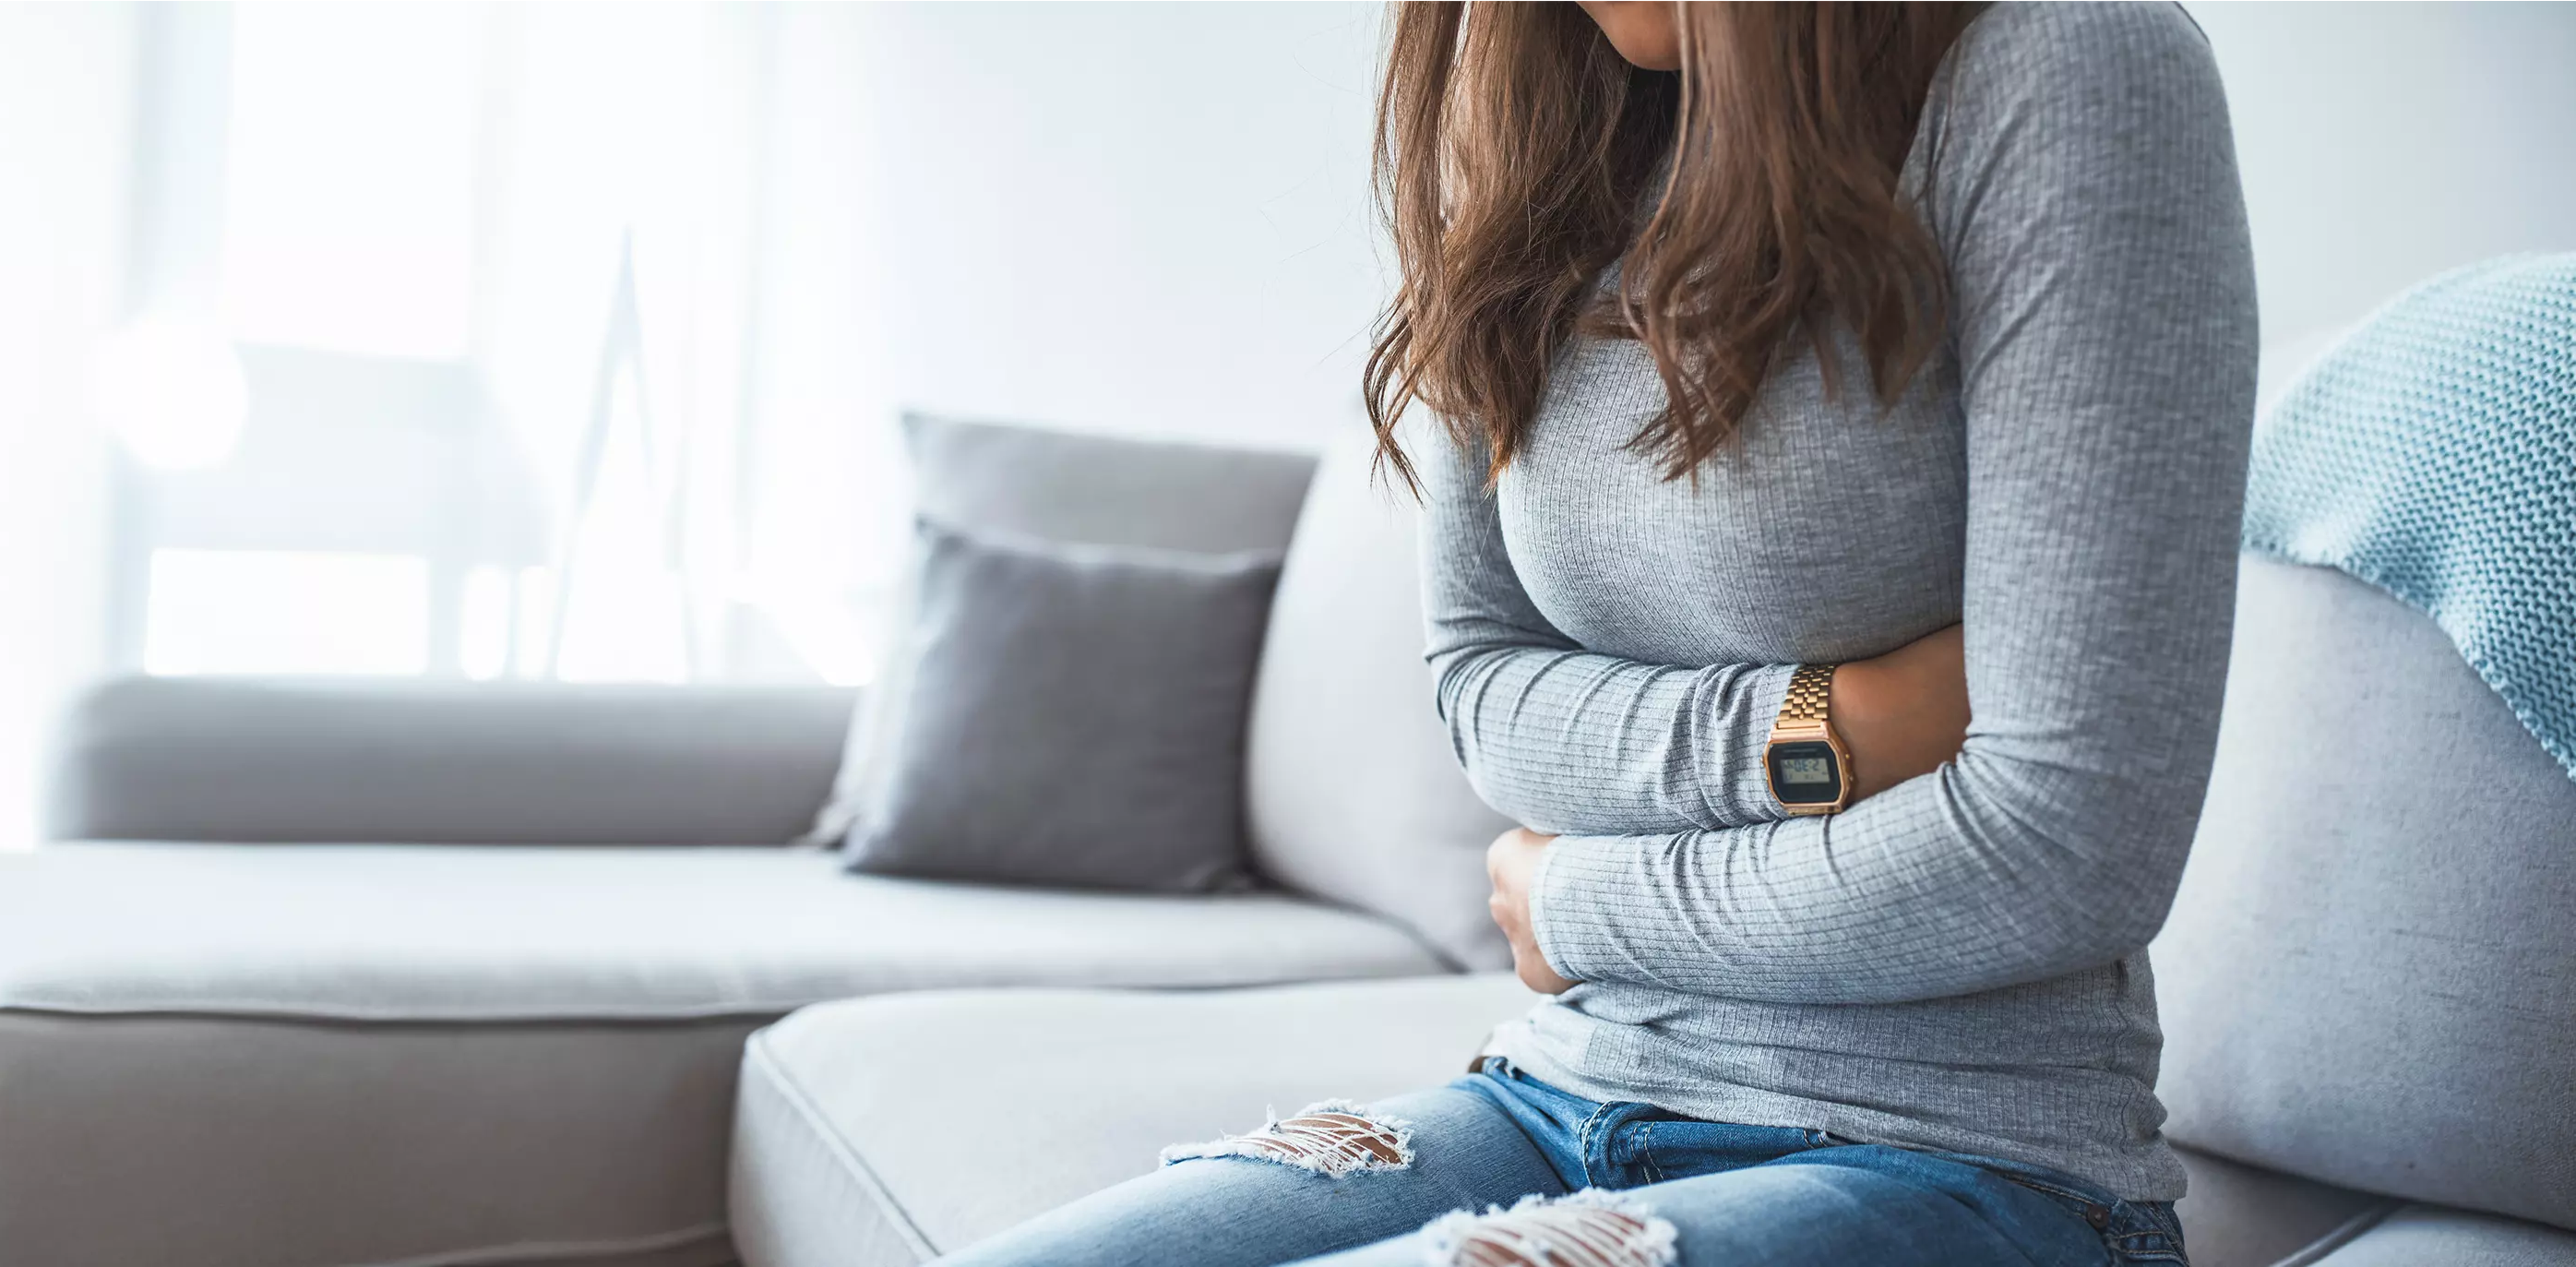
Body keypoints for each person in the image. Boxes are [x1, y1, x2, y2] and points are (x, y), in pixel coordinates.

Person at [934, 0, 2256, 1263]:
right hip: (1554, 1089)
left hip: (1968, 1160)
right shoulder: (1520, 142)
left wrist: (1575, 901)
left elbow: (2061, 847)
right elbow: (1479, 690)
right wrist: (1825, 729)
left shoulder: (2069, 67)